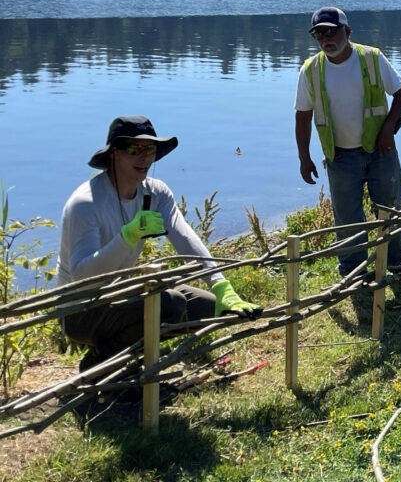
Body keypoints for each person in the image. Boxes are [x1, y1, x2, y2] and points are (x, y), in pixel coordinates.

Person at [58, 115, 261, 371]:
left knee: (211, 310)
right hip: (81, 309)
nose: (144, 158)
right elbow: (82, 274)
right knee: (170, 305)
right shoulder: (86, 203)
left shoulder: (155, 193)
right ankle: (101, 366)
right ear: (114, 154)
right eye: (134, 149)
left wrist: (220, 284)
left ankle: (130, 351)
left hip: (123, 292)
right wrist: (127, 237)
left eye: (150, 149)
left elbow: (184, 236)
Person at [294, 6, 401, 277]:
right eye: (319, 34)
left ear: (347, 31)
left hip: (381, 151)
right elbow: (302, 115)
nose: (326, 39)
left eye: (331, 32)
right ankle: (353, 273)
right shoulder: (310, 70)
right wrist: (304, 157)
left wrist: (388, 129)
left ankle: (395, 265)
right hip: (340, 157)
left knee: (391, 208)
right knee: (347, 219)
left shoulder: (371, 58)